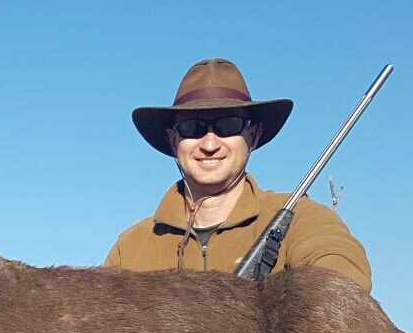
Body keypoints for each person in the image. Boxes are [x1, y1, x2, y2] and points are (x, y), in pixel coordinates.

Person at [106, 58, 372, 292]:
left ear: (253, 136)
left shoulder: (302, 218)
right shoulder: (130, 248)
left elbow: (342, 282)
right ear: (173, 140)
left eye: (228, 125)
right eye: (191, 128)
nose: (209, 144)